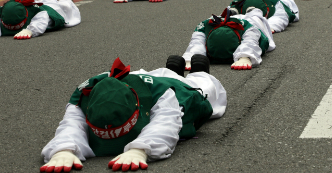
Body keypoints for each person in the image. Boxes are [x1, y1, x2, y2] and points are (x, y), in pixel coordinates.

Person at [40, 57, 227, 172]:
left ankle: (197, 71)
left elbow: (166, 123)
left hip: (174, 88)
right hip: (133, 80)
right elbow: (71, 125)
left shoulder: (164, 95)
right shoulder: (85, 97)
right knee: (163, 73)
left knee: (205, 87)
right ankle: (174, 69)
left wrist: (140, 149)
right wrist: (62, 149)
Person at [182, 7, 275, 71]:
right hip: (222, 21)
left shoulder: (250, 28)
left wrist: (245, 56)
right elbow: (196, 41)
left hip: (251, 22)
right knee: (221, 16)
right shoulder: (205, 25)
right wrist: (191, 58)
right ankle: (231, 12)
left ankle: (252, 10)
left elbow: (251, 41)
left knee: (256, 17)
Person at [0, 0, 81, 40]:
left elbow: (42, 20)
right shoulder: (4, 11)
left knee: (64, 6)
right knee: (49, 2)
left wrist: (30, 30)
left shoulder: (40, 14)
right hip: (33, 7)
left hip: (48, 10)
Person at [228, 0, 299, 34]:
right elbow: (226, 13)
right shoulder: (240, 2)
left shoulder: (278, 5)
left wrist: (271, 26)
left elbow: (281, 17)